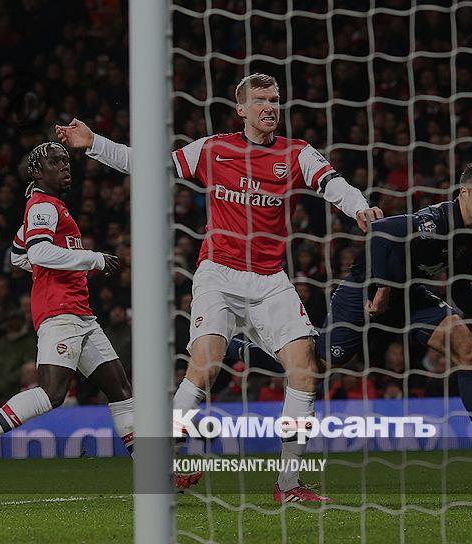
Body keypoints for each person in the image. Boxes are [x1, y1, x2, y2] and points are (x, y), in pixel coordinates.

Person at [57, 73, 383, 502]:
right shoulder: (214, 149)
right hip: (219, 274)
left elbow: (331, 183)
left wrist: (360, 207)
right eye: (260, 100)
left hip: (270, 279)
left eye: (275, 100)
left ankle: (288, 485)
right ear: (241, 109)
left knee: (305, 369)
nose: (270, 107)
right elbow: (153, 165)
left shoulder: (296, 152)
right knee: (206, 365)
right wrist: (94, 143)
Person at [317, 159, 472, 483]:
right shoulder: (434, 221)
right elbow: (379, 231)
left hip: (408, 296)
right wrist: (382, 290)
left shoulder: (469, 234)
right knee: (316, 364)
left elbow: (460, 285)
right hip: (365, 290)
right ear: (464, 192)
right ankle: (243, 349)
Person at [0, 142, 135, 488]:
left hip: (80, 313)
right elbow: (38, 253)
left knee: (121, 390)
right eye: (56, 162)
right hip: (59, 311)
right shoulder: (43, 206)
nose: (65, 167)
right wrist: (93, 259)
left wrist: (44, 261)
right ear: (37, 172)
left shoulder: (48, 207)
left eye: (66, 161)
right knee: (52, 393)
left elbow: (19, 255)